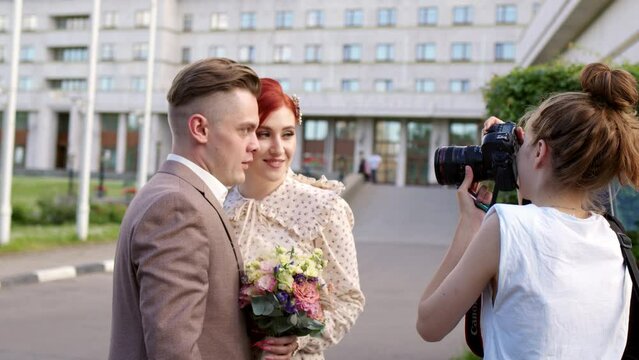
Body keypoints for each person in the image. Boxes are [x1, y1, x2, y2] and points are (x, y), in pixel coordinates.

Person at [416, 63, 638, 358]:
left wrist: (469, 224)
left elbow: (429, 324)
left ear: (540, 152)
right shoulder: (613, 239)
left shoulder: (506, 228)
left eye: (522, 144)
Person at [109, 58, 264, 360]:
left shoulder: (178, 195)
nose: (255, 145)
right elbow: (173, 351)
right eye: (245, 130)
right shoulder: (177, 208)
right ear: (200, 128)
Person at [224, 78, 365, 359]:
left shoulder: (323, 207)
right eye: (265, 134)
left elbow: (349, 299)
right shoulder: (219, 203)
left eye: (287, 134)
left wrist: (298, 340)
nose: (279, 148)